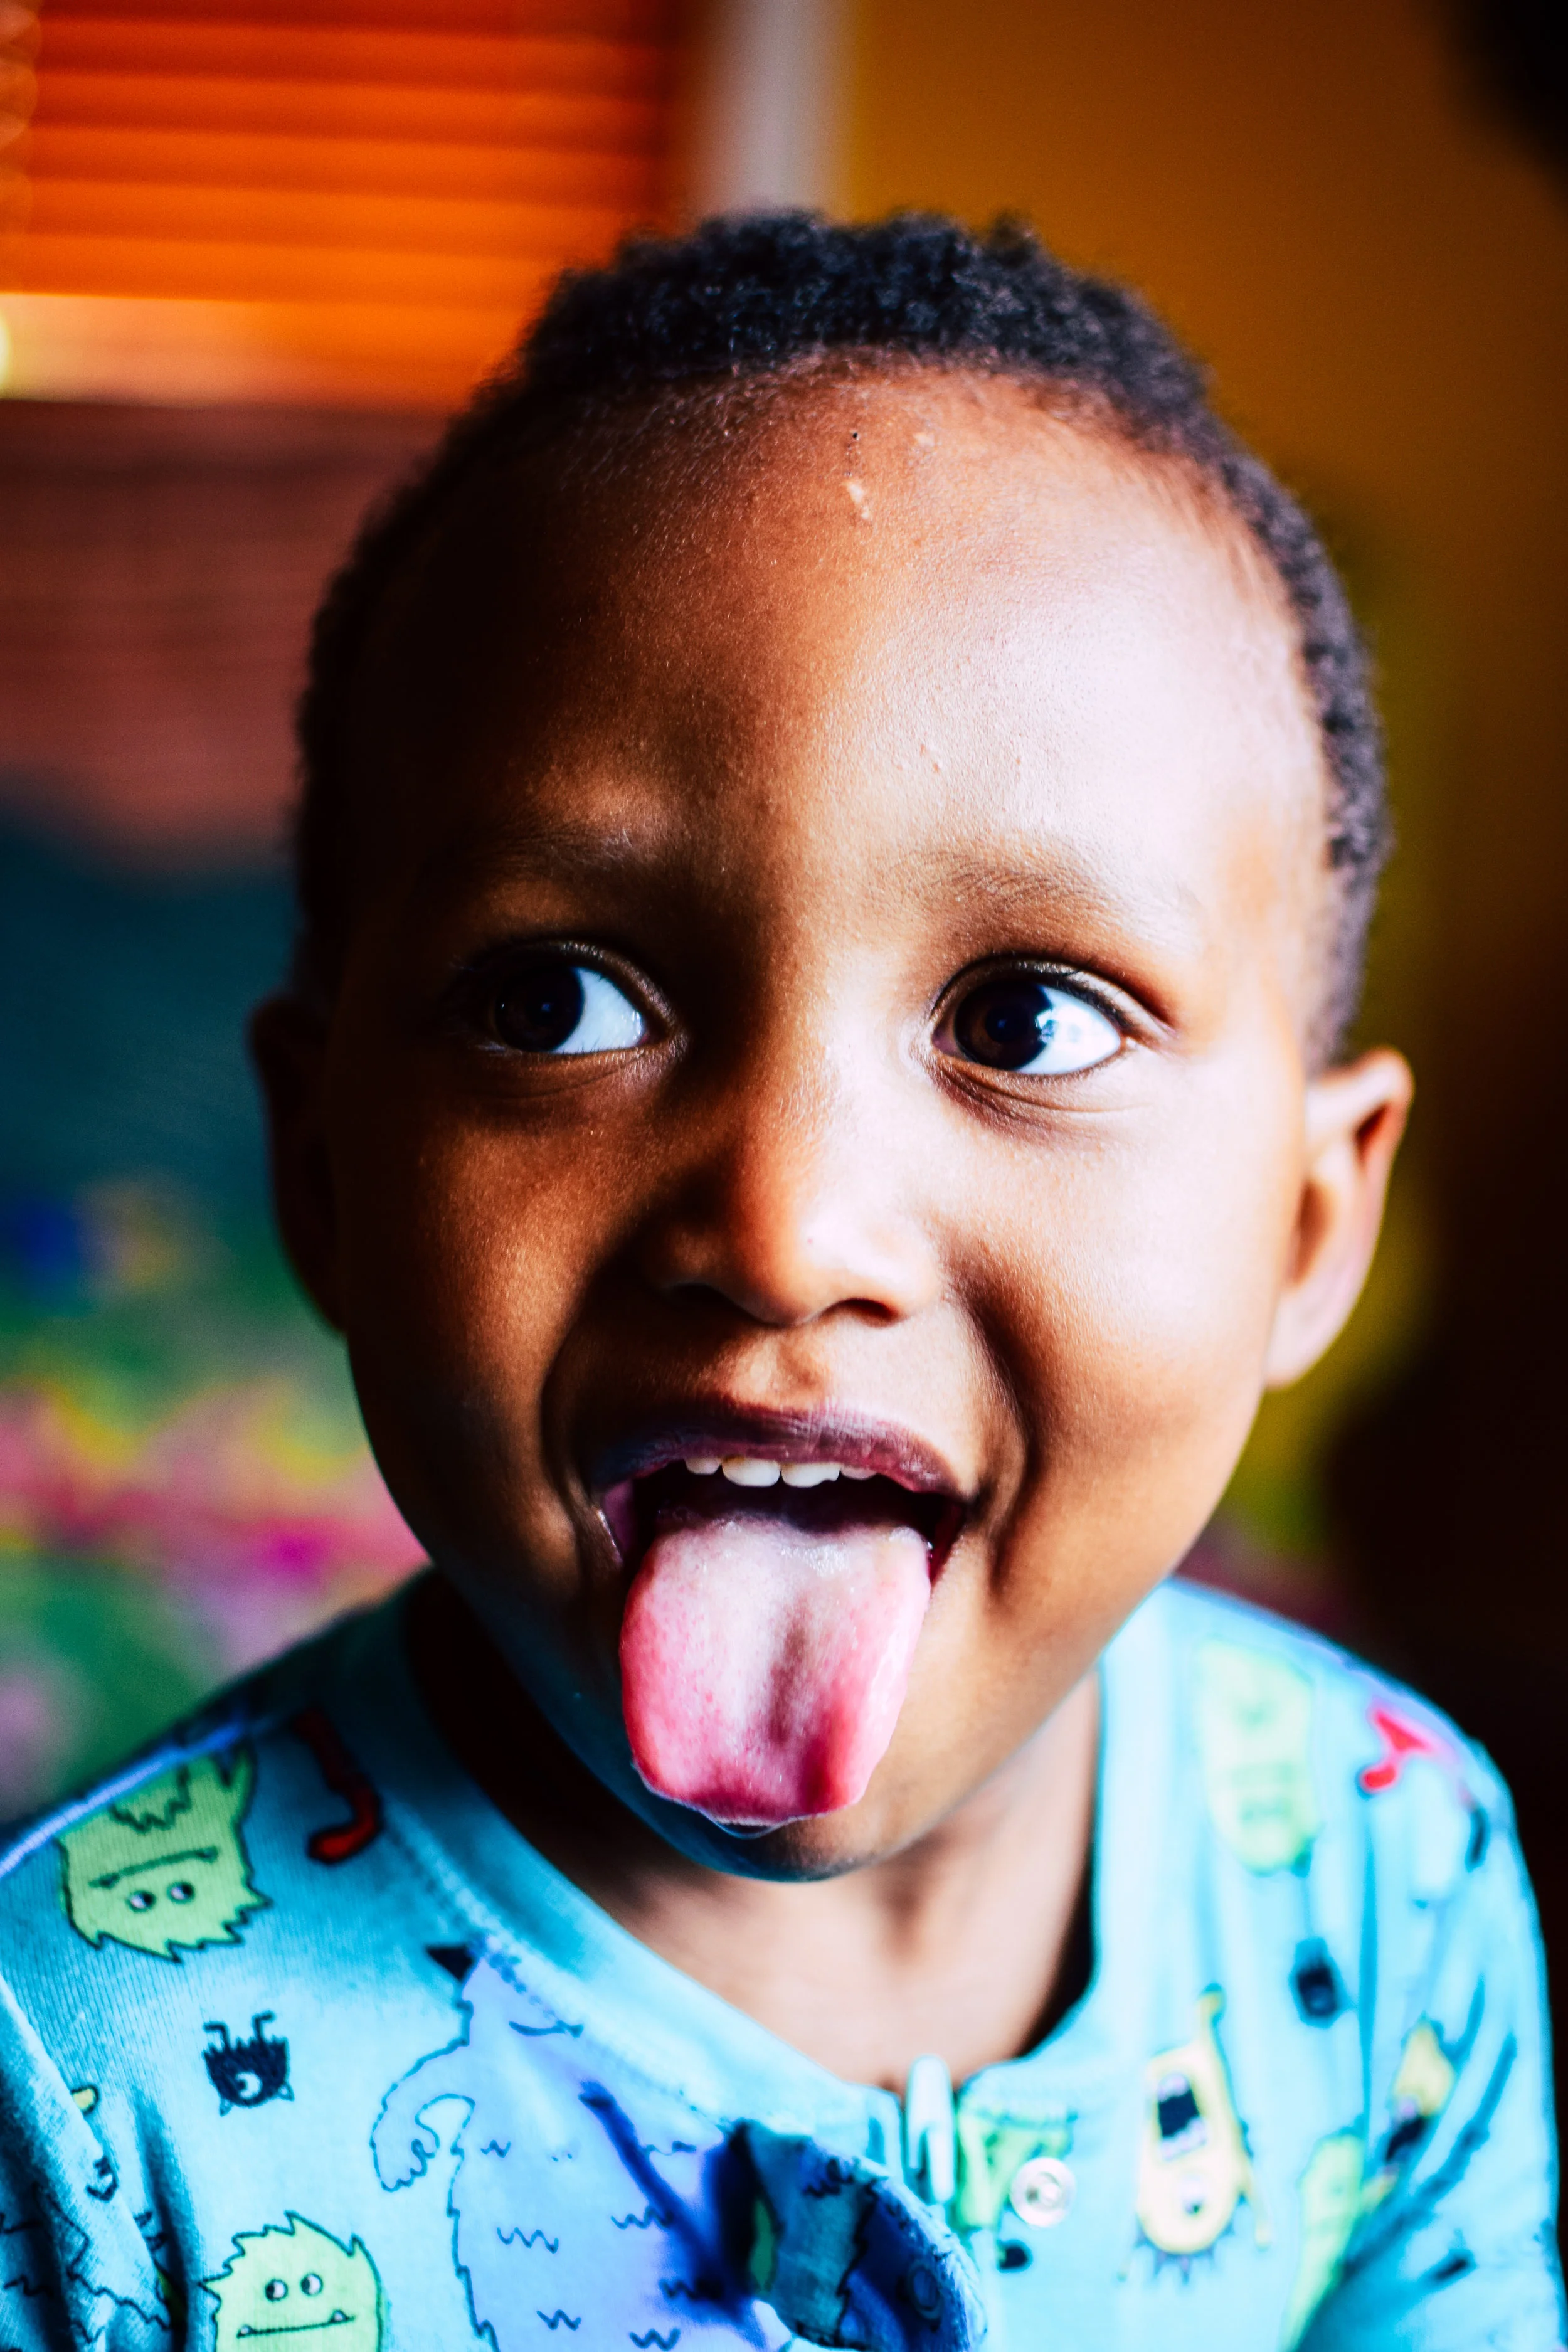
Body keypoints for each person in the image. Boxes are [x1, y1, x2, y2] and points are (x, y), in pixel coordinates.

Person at [0, 213, 1557, 2352]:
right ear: (325, 1171)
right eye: (560, 1000)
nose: (786, 1226)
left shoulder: (1390, 1890)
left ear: (1305, 1226)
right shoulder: (77, 2077)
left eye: (1026, 1019)